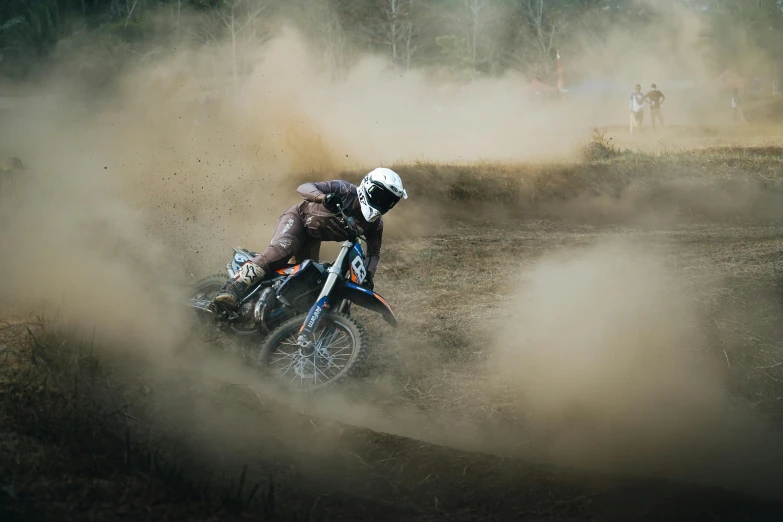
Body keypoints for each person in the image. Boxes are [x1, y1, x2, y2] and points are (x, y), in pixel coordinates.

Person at [213, 168, 408, 309]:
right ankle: (231, 288)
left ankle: (267, 307)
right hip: (298, 219)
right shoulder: (344, 190)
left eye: (389, 201)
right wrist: (322, 197)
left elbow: (374, 253)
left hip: (313, 238)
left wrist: (368, 276)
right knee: (281, 251)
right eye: (380, 196)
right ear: (367, 186)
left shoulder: (375, 224)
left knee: (305, 281)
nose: (383, 203)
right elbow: (304, 187)